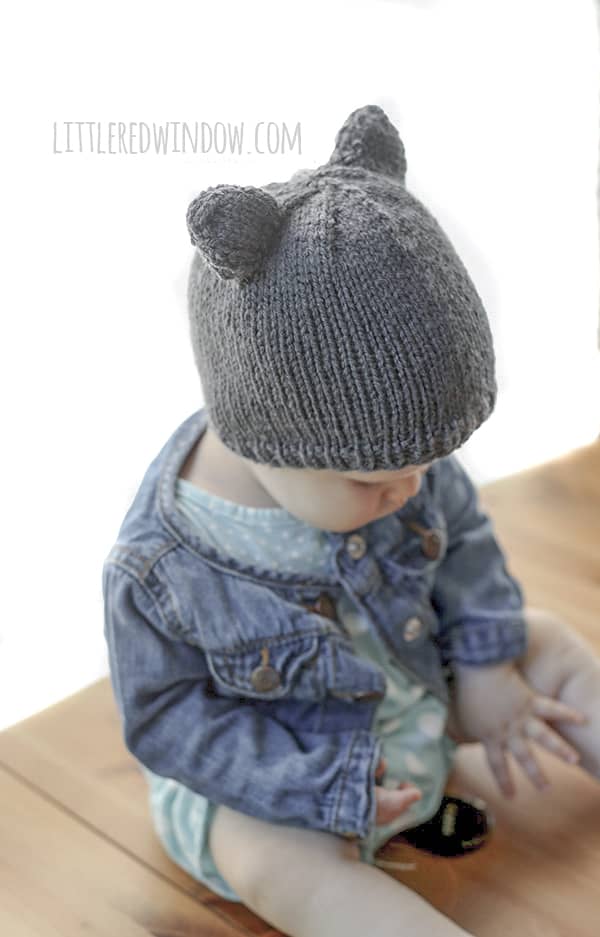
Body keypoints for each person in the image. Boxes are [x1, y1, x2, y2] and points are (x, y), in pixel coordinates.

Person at [102, 104, 600, 937]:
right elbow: (166, 719)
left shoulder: (383, 454)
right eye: (376, 479)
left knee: (544, 641)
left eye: (424, 464)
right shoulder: (160, 568)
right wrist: (312, 787)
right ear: (266, 433)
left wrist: (484, 666)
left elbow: (465, 537)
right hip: (288, 774)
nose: (411, 488)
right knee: (279, 863)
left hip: (411, 694)